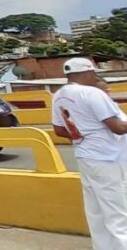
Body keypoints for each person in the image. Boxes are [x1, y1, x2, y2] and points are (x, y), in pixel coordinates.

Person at [52, 57, 127, 249]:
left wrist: (80, 135)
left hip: (86, 156)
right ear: (88, 72)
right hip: (107, 157)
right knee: (118, 211)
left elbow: (59, 130)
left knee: (96, 211)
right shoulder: (91, 93)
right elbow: (117, 127)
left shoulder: (59, 95)